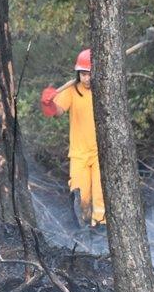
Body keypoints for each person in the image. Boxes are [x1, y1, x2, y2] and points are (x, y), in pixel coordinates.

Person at [40, 48, 105, 227]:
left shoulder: (106, 90)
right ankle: (83, 232)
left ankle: (101, 230)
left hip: (102, 153)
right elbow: (57, 112)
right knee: (80, 195)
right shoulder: (71, 90)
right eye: (83, 74)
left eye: (90, 74)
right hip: (79, 154)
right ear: (78, 74)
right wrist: (48, 104)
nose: (87, 78)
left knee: (101, 196)